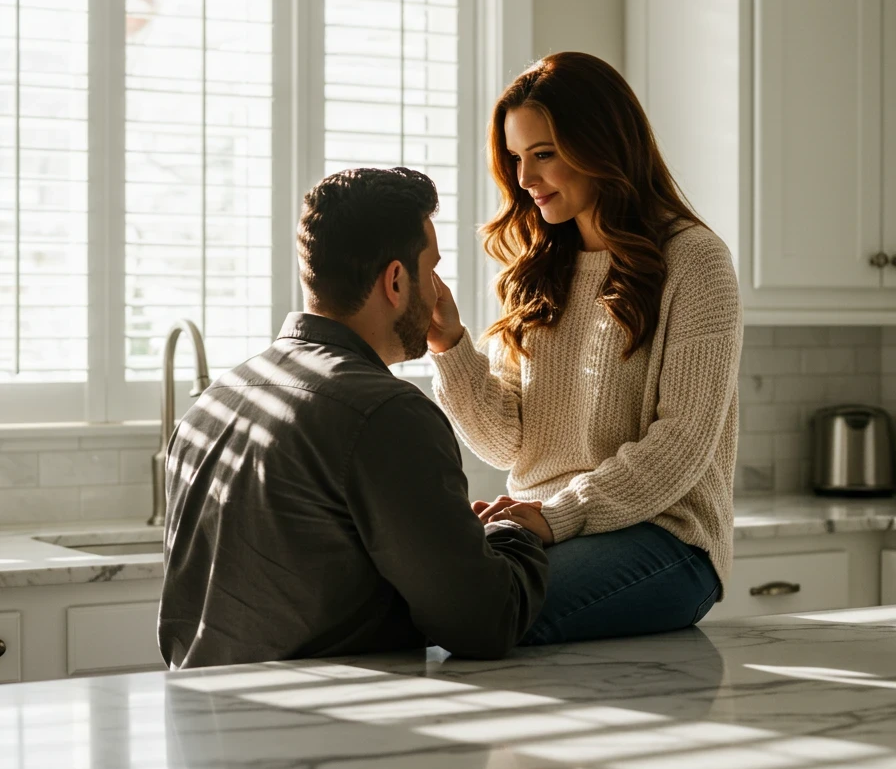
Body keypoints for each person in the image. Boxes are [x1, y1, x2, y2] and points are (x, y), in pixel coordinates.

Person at [158, 167, 548, 669]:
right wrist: (512, 533)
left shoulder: (214, 401)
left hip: (212, 731)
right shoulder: (388, 413)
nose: (437, 293)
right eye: (430, 271)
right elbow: (484, 623)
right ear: (394, 280)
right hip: (336, 731)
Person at [426, 52, 743, 645]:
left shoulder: (695, 262)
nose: (524, 179)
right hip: (546, 526)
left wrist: (556, 516)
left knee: (476, 610)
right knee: (423, 591)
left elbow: (683, 443)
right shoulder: (539, 270)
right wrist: (448, 344)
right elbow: (508, 442)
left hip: (664, 537)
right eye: (517, 159)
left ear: (605, 144)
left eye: (543, 154)